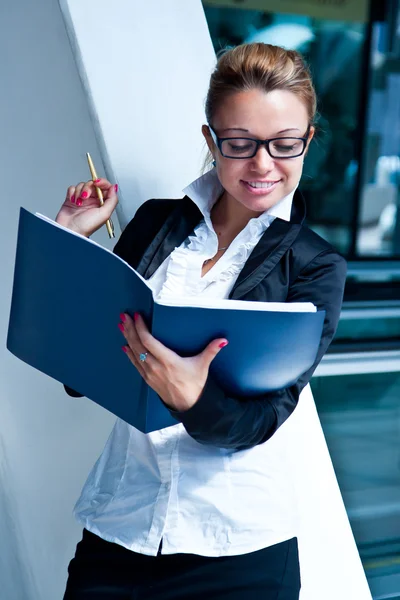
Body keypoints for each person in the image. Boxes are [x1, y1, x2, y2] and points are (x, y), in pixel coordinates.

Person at [58, 43, 347, 599]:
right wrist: (71, 239)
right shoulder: (155, 224)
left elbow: (262, 419)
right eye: (239, 144)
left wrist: (194, 398)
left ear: (308, 140)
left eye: (285, 145)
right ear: (210, 140)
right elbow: (80, 370)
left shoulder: (315, 267)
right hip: (120, 528)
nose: (263, 165)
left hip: (236, 549)